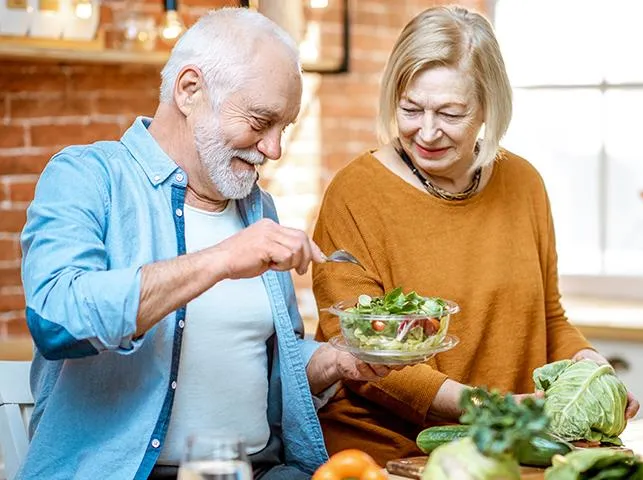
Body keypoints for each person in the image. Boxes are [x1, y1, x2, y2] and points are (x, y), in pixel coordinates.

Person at [18, 8, 392, 480]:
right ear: (189, 89)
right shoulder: (88, 177)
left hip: (259, 471)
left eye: (285, 128)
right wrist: (220, 260)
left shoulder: (258, 209)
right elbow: (57, 321)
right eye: (261, 121)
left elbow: (265, 361)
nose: (273, 149)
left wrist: (335, 360)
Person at [310, 5, 641, 463]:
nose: (426, 131)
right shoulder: (355, 193)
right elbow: (361, 352)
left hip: (507, 449)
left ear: (488, 106)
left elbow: (549, 318)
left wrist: (593, 371)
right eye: (410, 109)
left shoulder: (524, 183)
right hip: (388, 455)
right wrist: (488, 407)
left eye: (450, 112)